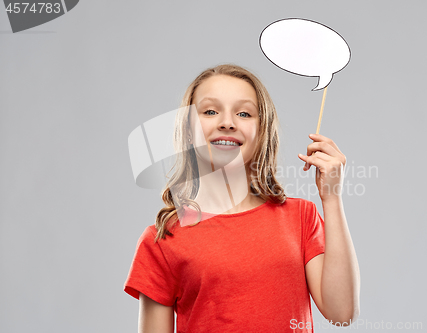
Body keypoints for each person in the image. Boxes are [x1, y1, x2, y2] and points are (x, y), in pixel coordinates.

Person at [124, 64, 360, 332]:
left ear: (262, 131)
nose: (227, 122)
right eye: (210, 111)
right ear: (189, 131)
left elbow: (342, 313)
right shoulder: (162, 240)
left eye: (244, 113)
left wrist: (331, 198)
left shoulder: (301, 217)